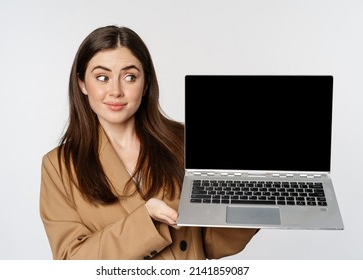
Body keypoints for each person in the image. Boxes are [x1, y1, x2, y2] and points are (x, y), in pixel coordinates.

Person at [39, 25, 258, 260]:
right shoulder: (59, 166)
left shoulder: (182, 141)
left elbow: (209, 242)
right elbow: (70, 261)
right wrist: (146, 220)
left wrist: (252, 204)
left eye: (129, 77)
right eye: (102, 77)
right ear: (82, 83)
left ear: (145, 85)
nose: (115, 91)